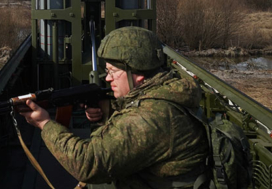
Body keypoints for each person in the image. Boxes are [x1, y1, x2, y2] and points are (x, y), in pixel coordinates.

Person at [20, 27, 210, 189]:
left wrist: (45, 123)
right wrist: (105, 113)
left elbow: (87, 164)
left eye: (113, 72)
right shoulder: (165, 91)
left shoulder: (150, 117)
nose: (108, 78)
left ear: (137, 74)